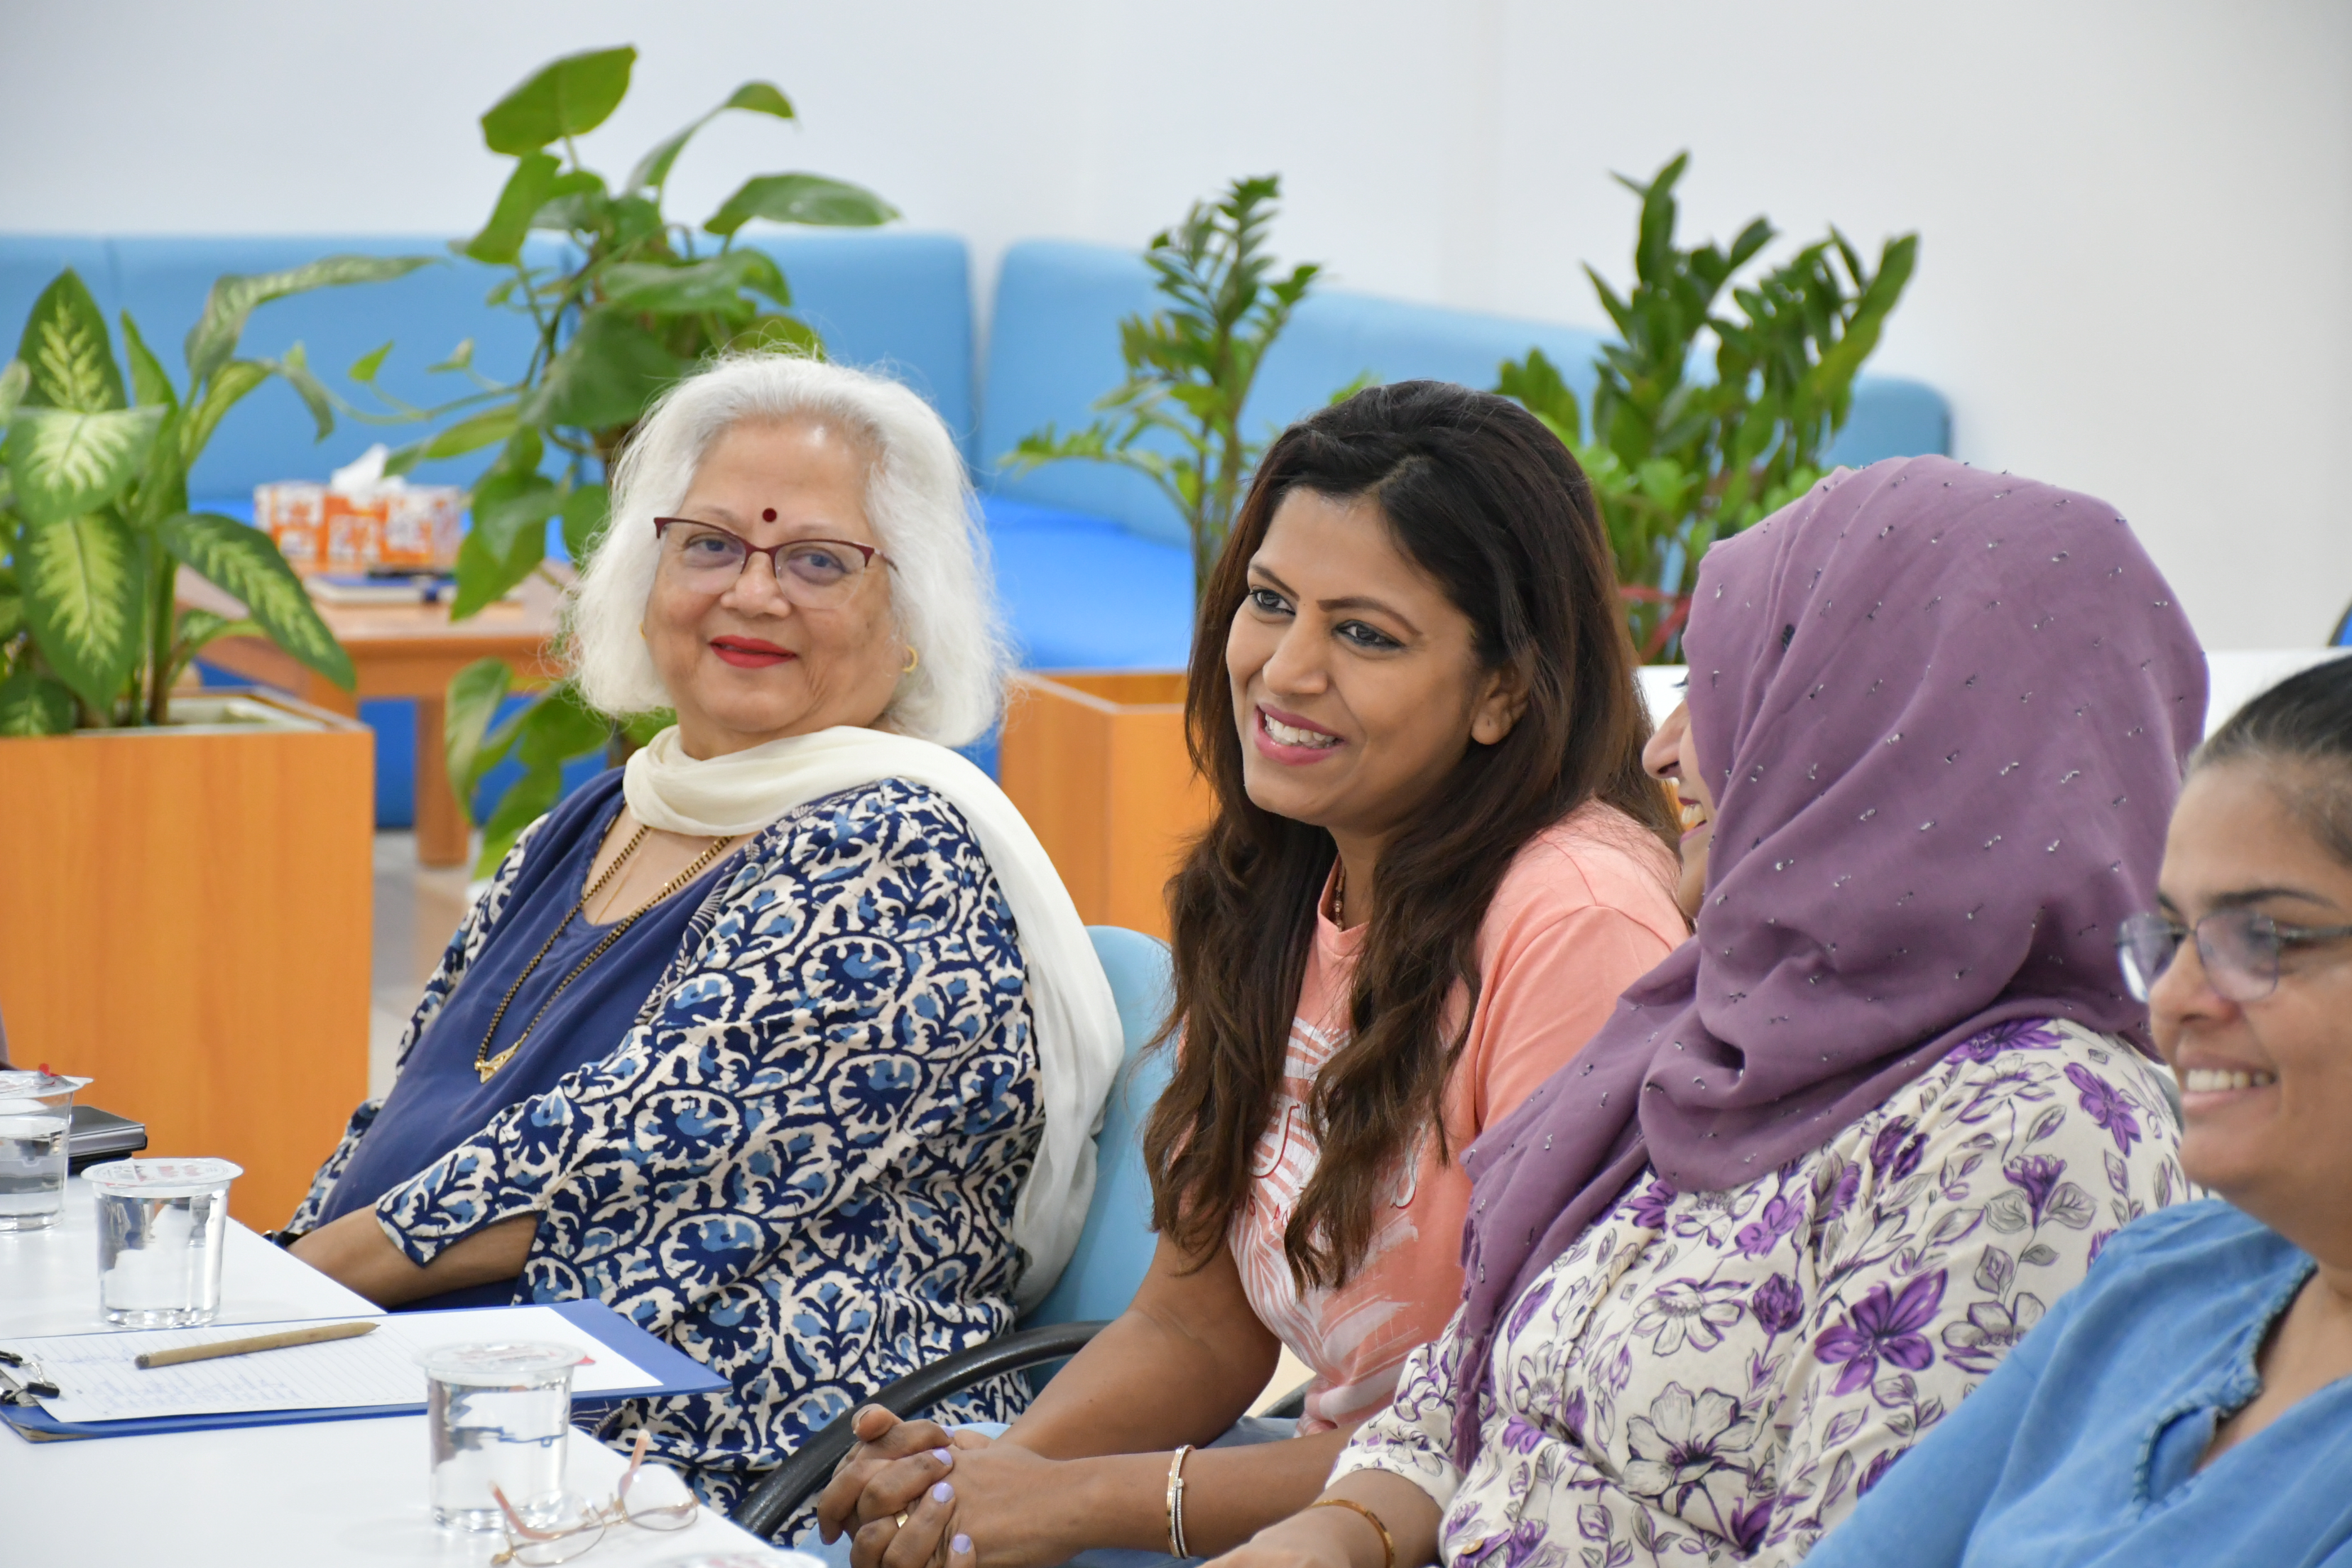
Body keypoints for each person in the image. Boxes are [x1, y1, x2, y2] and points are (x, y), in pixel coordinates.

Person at [1198, 455, 2204, 1568]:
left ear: (1899, 738)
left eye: (1743, 693)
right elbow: (1455, 1402)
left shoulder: (2030, 1126)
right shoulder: (1721, 1016)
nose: (1662, 750)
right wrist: (1337, 1537)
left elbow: (1860, 1550)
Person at [821, 382, 1689, 1565]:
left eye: (1365, 634)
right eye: (1270, 603)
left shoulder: (1577, 923)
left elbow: (1516, 1431)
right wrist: (977, 1486)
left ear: (1505, 690)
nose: (1284, 670)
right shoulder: (1284, 876)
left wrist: (1084, 1503)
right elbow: (1198, 1328)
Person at [282, 351, 1123, 1508]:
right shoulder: (604, 816)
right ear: (648, 577)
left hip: (742, 1460)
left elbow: (607, 1161)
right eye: (712, 545)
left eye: (818, 560)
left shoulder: (892, 852)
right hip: (488, 1400)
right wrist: (258, 1286)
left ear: (911, 620)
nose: (754, 593)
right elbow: (413, 1105)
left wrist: (283, 1297)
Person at [1803, 654, 2352, 1566]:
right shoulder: (2162, 1281)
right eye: (2172, 938)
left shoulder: (2037, 1117)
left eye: (2260, 937)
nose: (2174, 999)